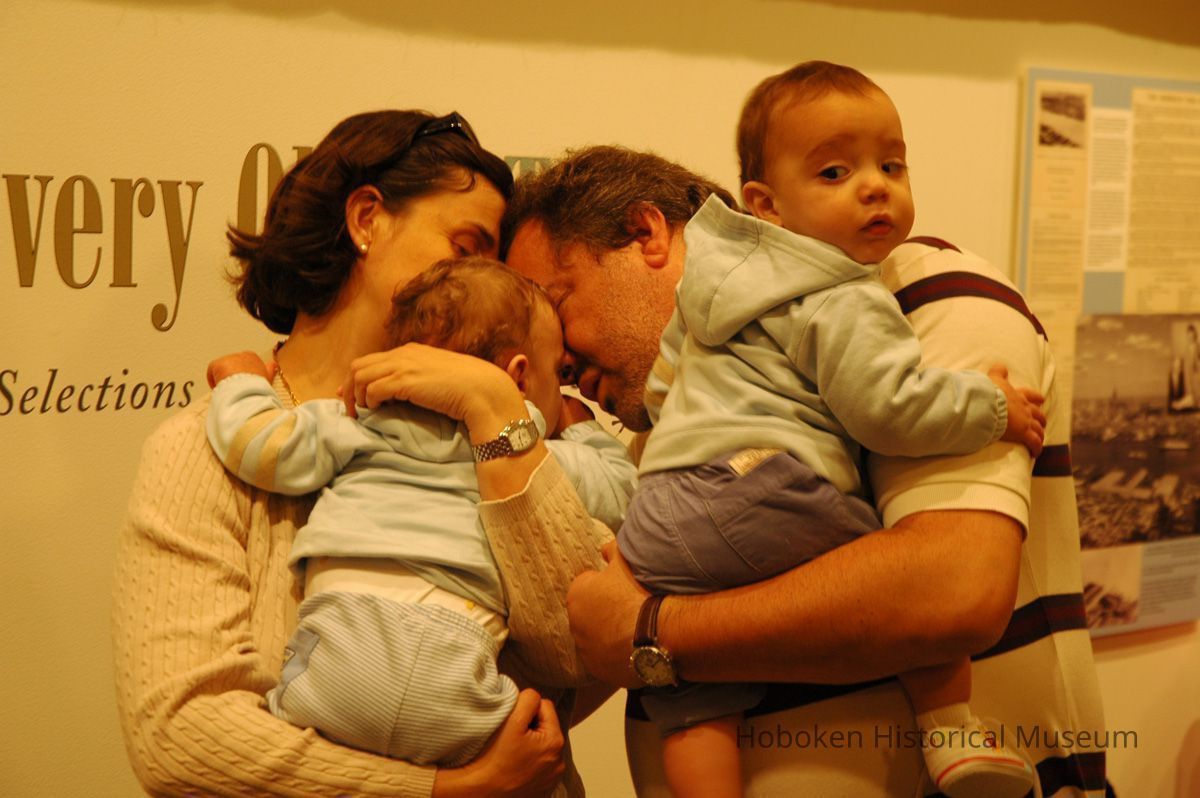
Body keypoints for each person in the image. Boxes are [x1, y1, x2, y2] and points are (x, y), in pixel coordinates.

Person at [497, 136, 1107, 794]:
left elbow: (956, 590)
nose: (555, 357)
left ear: (646, 234)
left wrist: (649, 630)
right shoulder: (679, 431)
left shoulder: (914, 294)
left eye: (556, 302)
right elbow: (581, 659)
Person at [111, 109, 613, 798]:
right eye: (467, 247)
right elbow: (181, 739)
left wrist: (495, 414)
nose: (484, 284)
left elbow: (576, 655)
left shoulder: (506, 431)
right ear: (366, 219)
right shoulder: (203, 450)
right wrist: (448, 789)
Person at [609, 61, 1041, 798]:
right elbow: (889, 409)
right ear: (766, 204)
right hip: (763, 489)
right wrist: (992, 407)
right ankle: (952, 733)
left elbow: (661, 389)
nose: (874, 186)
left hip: (663, 513)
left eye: (891, 165)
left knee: (694, 701)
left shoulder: (706, 288)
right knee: (898, 590)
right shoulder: (842, 291)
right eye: (835, 172)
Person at [203, 258, 636, 768]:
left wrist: (241, 382)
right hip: (456, 665)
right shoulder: (526, 451)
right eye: (558, 374)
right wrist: (581, 427)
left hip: (333, 648)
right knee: (528, 744)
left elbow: (260, 446)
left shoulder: (356, 421)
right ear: (519, 377)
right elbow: (622, 492)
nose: (563, 392)